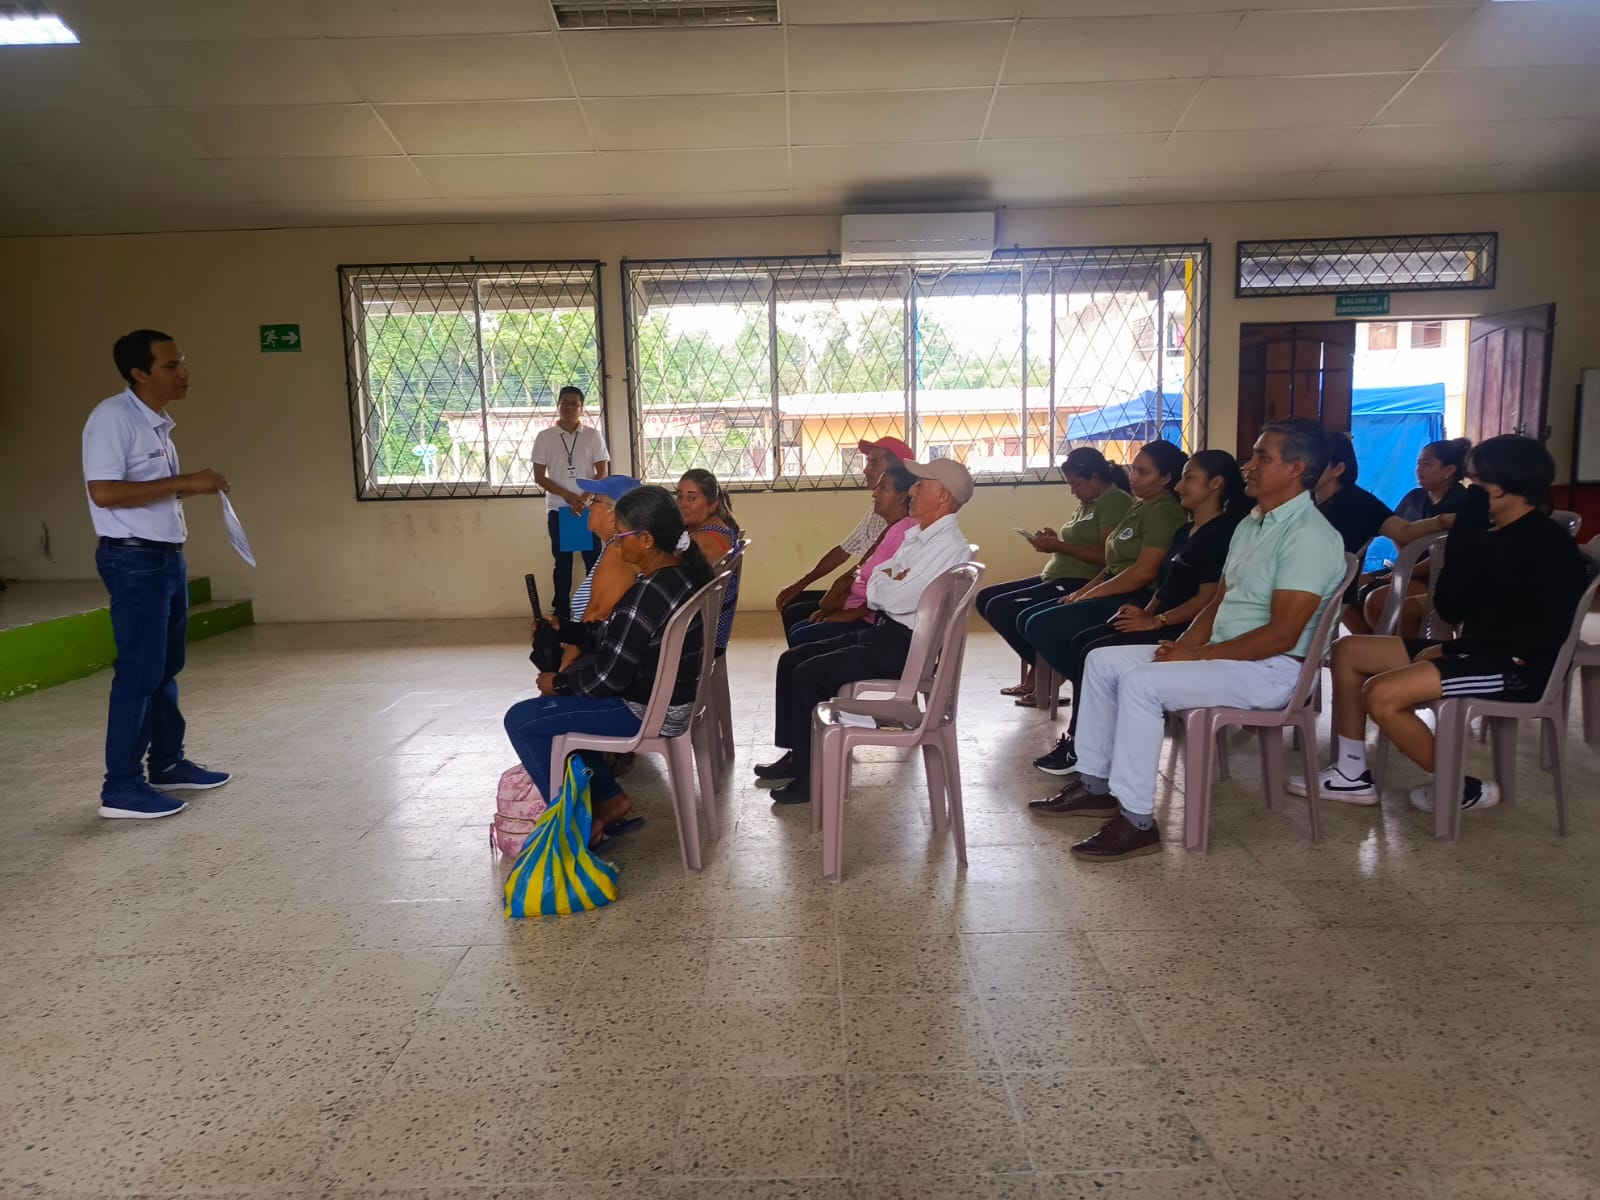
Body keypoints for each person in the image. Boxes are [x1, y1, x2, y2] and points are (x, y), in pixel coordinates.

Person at [1037, 419, 1346, 861]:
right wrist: (1184, 645)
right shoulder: (1253, 524)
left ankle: (1136, 821)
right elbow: (1218, 602)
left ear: (1297, 468)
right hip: (1227, 656)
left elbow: (1282, 635)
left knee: (1142, 683)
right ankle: (1095, 783)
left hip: (1273, 669)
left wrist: (1199, 654)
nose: (1248, 465)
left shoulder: (1309, 536)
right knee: (1103, 660)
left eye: (1263, 457)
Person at [1291, 435, 1589, 813]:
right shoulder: (1490, 533)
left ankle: (1460, 787)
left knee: (1382, 693)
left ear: (1503, 486)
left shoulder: (1546, 545)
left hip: (1517, 667)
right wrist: (1465, 533)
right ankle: (1350, 774)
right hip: (1478, 649)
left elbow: (1535, 634)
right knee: (1349, 650)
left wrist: (1449, 649)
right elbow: (1450, 607)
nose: (1469, 491)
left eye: (1475, 481)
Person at [756, 458, 974, 805]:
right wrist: (886, 581)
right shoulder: (920, 535)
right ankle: (799, 754)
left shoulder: (944, 546)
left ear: (942, 496)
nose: (912, 490)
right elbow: (879, 579)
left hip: (904, 648)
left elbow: (890, 593)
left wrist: (885, 582)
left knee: (810, 673)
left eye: (920, 485)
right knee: (791, 659)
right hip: (887, 634)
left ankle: (815, 775)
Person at [503, 486, 712, 845]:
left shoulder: (646, 593)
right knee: (561, 710)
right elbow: (618, 636)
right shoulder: (677, 577)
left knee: (524, 719)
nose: (616, 543)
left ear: (646, 539)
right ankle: (610, 801)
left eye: (621, 535)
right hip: (667, 704)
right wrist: (565, 629)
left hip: (645, 712)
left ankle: (574, 827)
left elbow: (608, 677)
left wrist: (559, 684)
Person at [82, 330, 233, 820]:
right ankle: (121, 788)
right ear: (138, 373)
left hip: (164, 557)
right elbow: (105, 492)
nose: (183, 372)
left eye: (182, 362)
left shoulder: (156, 423)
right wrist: (186, 481)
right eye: (171, 365)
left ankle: (166, 763)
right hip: (134, 561)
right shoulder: (113, 419)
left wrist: (190, 487)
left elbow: (147, 487)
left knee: (165, 667)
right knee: (139, 672)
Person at [1032, 449, 1250, 777]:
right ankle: (1090, 740)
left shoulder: (1222, 534)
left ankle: (1083, 743)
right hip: (1160, 617)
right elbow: (1165, 587)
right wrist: (1143, 612)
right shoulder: (1186, 531)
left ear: (1215, 484)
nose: (1180, 487)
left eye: (1189, 479)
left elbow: (1207, 600)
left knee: (1091, 650)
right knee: (1083, 643)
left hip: (1184, 628)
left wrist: (1155, 621)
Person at [1016, 440, 1188, 708]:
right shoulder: (1140, 506)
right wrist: (1082, 592)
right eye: (1134, 470)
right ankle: (1088, 687)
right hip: (1112, 585)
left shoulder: (1164, 511)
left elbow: (1144, 572)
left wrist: (1091, 594)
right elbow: (1112, 564)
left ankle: (1093, 690)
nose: (1134, 478)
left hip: (1137, 596)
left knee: (1043, 625)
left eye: (1143, 472)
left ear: (1166, 478)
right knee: (1030, 619)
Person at [977, 447, 1133, 702]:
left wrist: (1059, 546)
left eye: (1076, 484)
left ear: (1095, 478)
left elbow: (1106, 556)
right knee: (986, 598)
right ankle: (1043, 667)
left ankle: (1050, 669)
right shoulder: (1089, 502)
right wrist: (1054, 540)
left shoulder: (1114, 501)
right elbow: (1080, 541)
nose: (1073, 491)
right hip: (1056, 574)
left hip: (1080, 580)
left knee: (1003, 608)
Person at [776, 436, 913, 635]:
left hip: (870, 605)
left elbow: (891, 581)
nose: (866, 469)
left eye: (874, 463)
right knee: (793, 607)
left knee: (799, 622)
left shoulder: (906, 524)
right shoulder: (878, 510)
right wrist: (802, 582)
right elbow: (843, 551)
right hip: (860, 592)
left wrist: (848, 605)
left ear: (898, 471)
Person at [1351, 437, 1473, 636]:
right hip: (1406, 568)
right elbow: (1396, 531)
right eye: (1418, 463)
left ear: (1449, 470)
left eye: (1427, 464)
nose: (1419, 470)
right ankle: (1374, 646)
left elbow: (1448, 554)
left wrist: (1404, 570)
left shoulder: (1462, 503)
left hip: (1439, 577)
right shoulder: (1414, 497)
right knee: (1349, 590)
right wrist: (1405, 559)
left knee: (1378, 600)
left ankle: (1396, 649)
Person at [1312, 432, 1434, 630]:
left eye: (1314, 462)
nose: (1303, 467)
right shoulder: (1306, 498)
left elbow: (1404, 531)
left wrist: (1444, 520)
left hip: (1323, 589)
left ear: (1338, 469)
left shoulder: (1359, 502)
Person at [531, 385, 609, 620]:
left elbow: (602, 472)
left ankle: (595, 608)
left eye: (574, 403)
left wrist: (584, 498)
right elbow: (539, 477)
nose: (569, 407)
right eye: (564, 402)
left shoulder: (593, 435)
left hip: (588, 509)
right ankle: (562, 611)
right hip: (559, 508)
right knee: (562, 563)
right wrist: (567, 496)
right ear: (558, 405)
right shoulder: (545, 437)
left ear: (581, 408)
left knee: (593, 561)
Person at [559, 474, 642, 668]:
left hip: (599, 657)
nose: (588, 507)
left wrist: (563, 669)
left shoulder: (619, 552)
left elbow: (597, 615)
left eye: (594, 501)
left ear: (613, 513)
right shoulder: (614, 547)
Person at [675, 468, 743, 653]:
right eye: (679, 496)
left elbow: (676, 586)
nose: (682, 504)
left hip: (702, 635)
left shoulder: (703, 540)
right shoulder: (715, 528)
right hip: (713, 628)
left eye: (691, 498)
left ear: (712, 505)